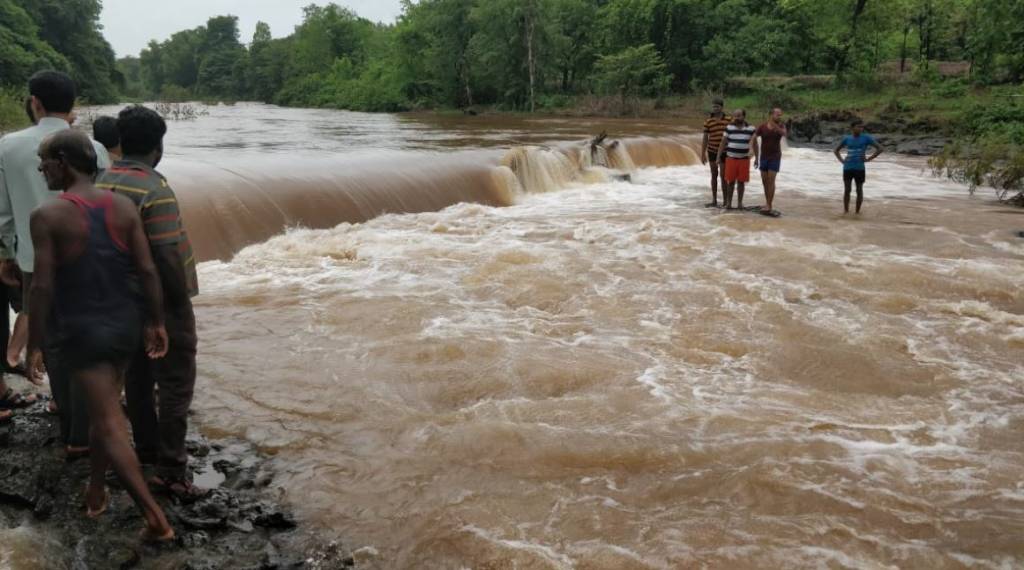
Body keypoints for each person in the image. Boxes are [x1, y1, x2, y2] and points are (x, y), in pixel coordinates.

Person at [27, 129, 174, 541]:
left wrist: (34, 343)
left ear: (62, 162)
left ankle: (156, 520)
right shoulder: (124, 206)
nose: (42, 170)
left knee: (109, 423)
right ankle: (96, 492)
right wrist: (157, 322)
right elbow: (146, 271)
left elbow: (41, 287)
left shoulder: (48, 215)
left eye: (45, 163)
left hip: (81, 331)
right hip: (125, 326)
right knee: (104, 407)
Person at [0, 70, 111, 450]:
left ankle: (63, 406)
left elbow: (2, 212)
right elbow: (107, 202)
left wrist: (5, 253)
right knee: (84, 331)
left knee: (50, 335)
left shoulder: (8, 146)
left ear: (35, 103)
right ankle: (87, 416)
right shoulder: (94, 148)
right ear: (73, 106)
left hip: (32, 257)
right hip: (87, 258)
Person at [96, 105, 201, 498]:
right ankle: (172, 470)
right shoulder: (156, 190)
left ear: (120, 143)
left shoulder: (101, 182)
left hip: (116, 300)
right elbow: (167, 256)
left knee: (138, 379)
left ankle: (145, 450)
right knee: (175, 382)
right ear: (159, 146)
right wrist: (177, 307)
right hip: (157, 302)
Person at [834, 120, 883, 214]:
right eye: (858, 127)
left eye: (862, 127)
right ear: (852, 128)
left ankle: (857, 212)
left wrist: (869, 159)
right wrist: (842, 161)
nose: (861, 129)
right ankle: (846, 211)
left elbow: (880, 148)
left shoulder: (866, 138)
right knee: (847, 190)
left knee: (859, 190)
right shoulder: (846, 139)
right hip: (847, 167)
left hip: (860, 168)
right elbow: (836, 150)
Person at [751, 107, 786, 216]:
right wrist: (755, 156)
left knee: (771, 181)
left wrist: (775, 125)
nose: (779, 116)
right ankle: (767, 203)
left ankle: (769, 205)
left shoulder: (781, 126)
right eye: (777, 114)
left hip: (775, 157)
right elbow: (753, 138)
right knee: (765, 182)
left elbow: (784, 134)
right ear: (771, 114)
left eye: (780, 115)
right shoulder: (762, 126)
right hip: (764, 157)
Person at [722, 109, 756, 210]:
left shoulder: (751, 128)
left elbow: (755, 144)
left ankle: (740, 204)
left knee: (741, 182)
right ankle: (729, 204)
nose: (736, 118)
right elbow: (723, 143)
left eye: (739, 116)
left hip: (744, 159)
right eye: (735, 116)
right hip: (731, 158)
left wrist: (757, 158)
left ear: (744, 116)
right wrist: (718, 156)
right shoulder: (729, 128)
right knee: (730, 182)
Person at [700, 98, 731, 207]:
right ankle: (714, 200)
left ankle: (726, 201)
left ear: (722, 107)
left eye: (717, 106)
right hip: (712, 150)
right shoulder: (708, 121)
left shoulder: (729, 119)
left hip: (725, 151)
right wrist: (702, 153)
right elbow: (705, 138)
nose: (715, 108)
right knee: (714, 175)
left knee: (723, 176)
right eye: (713, 107)